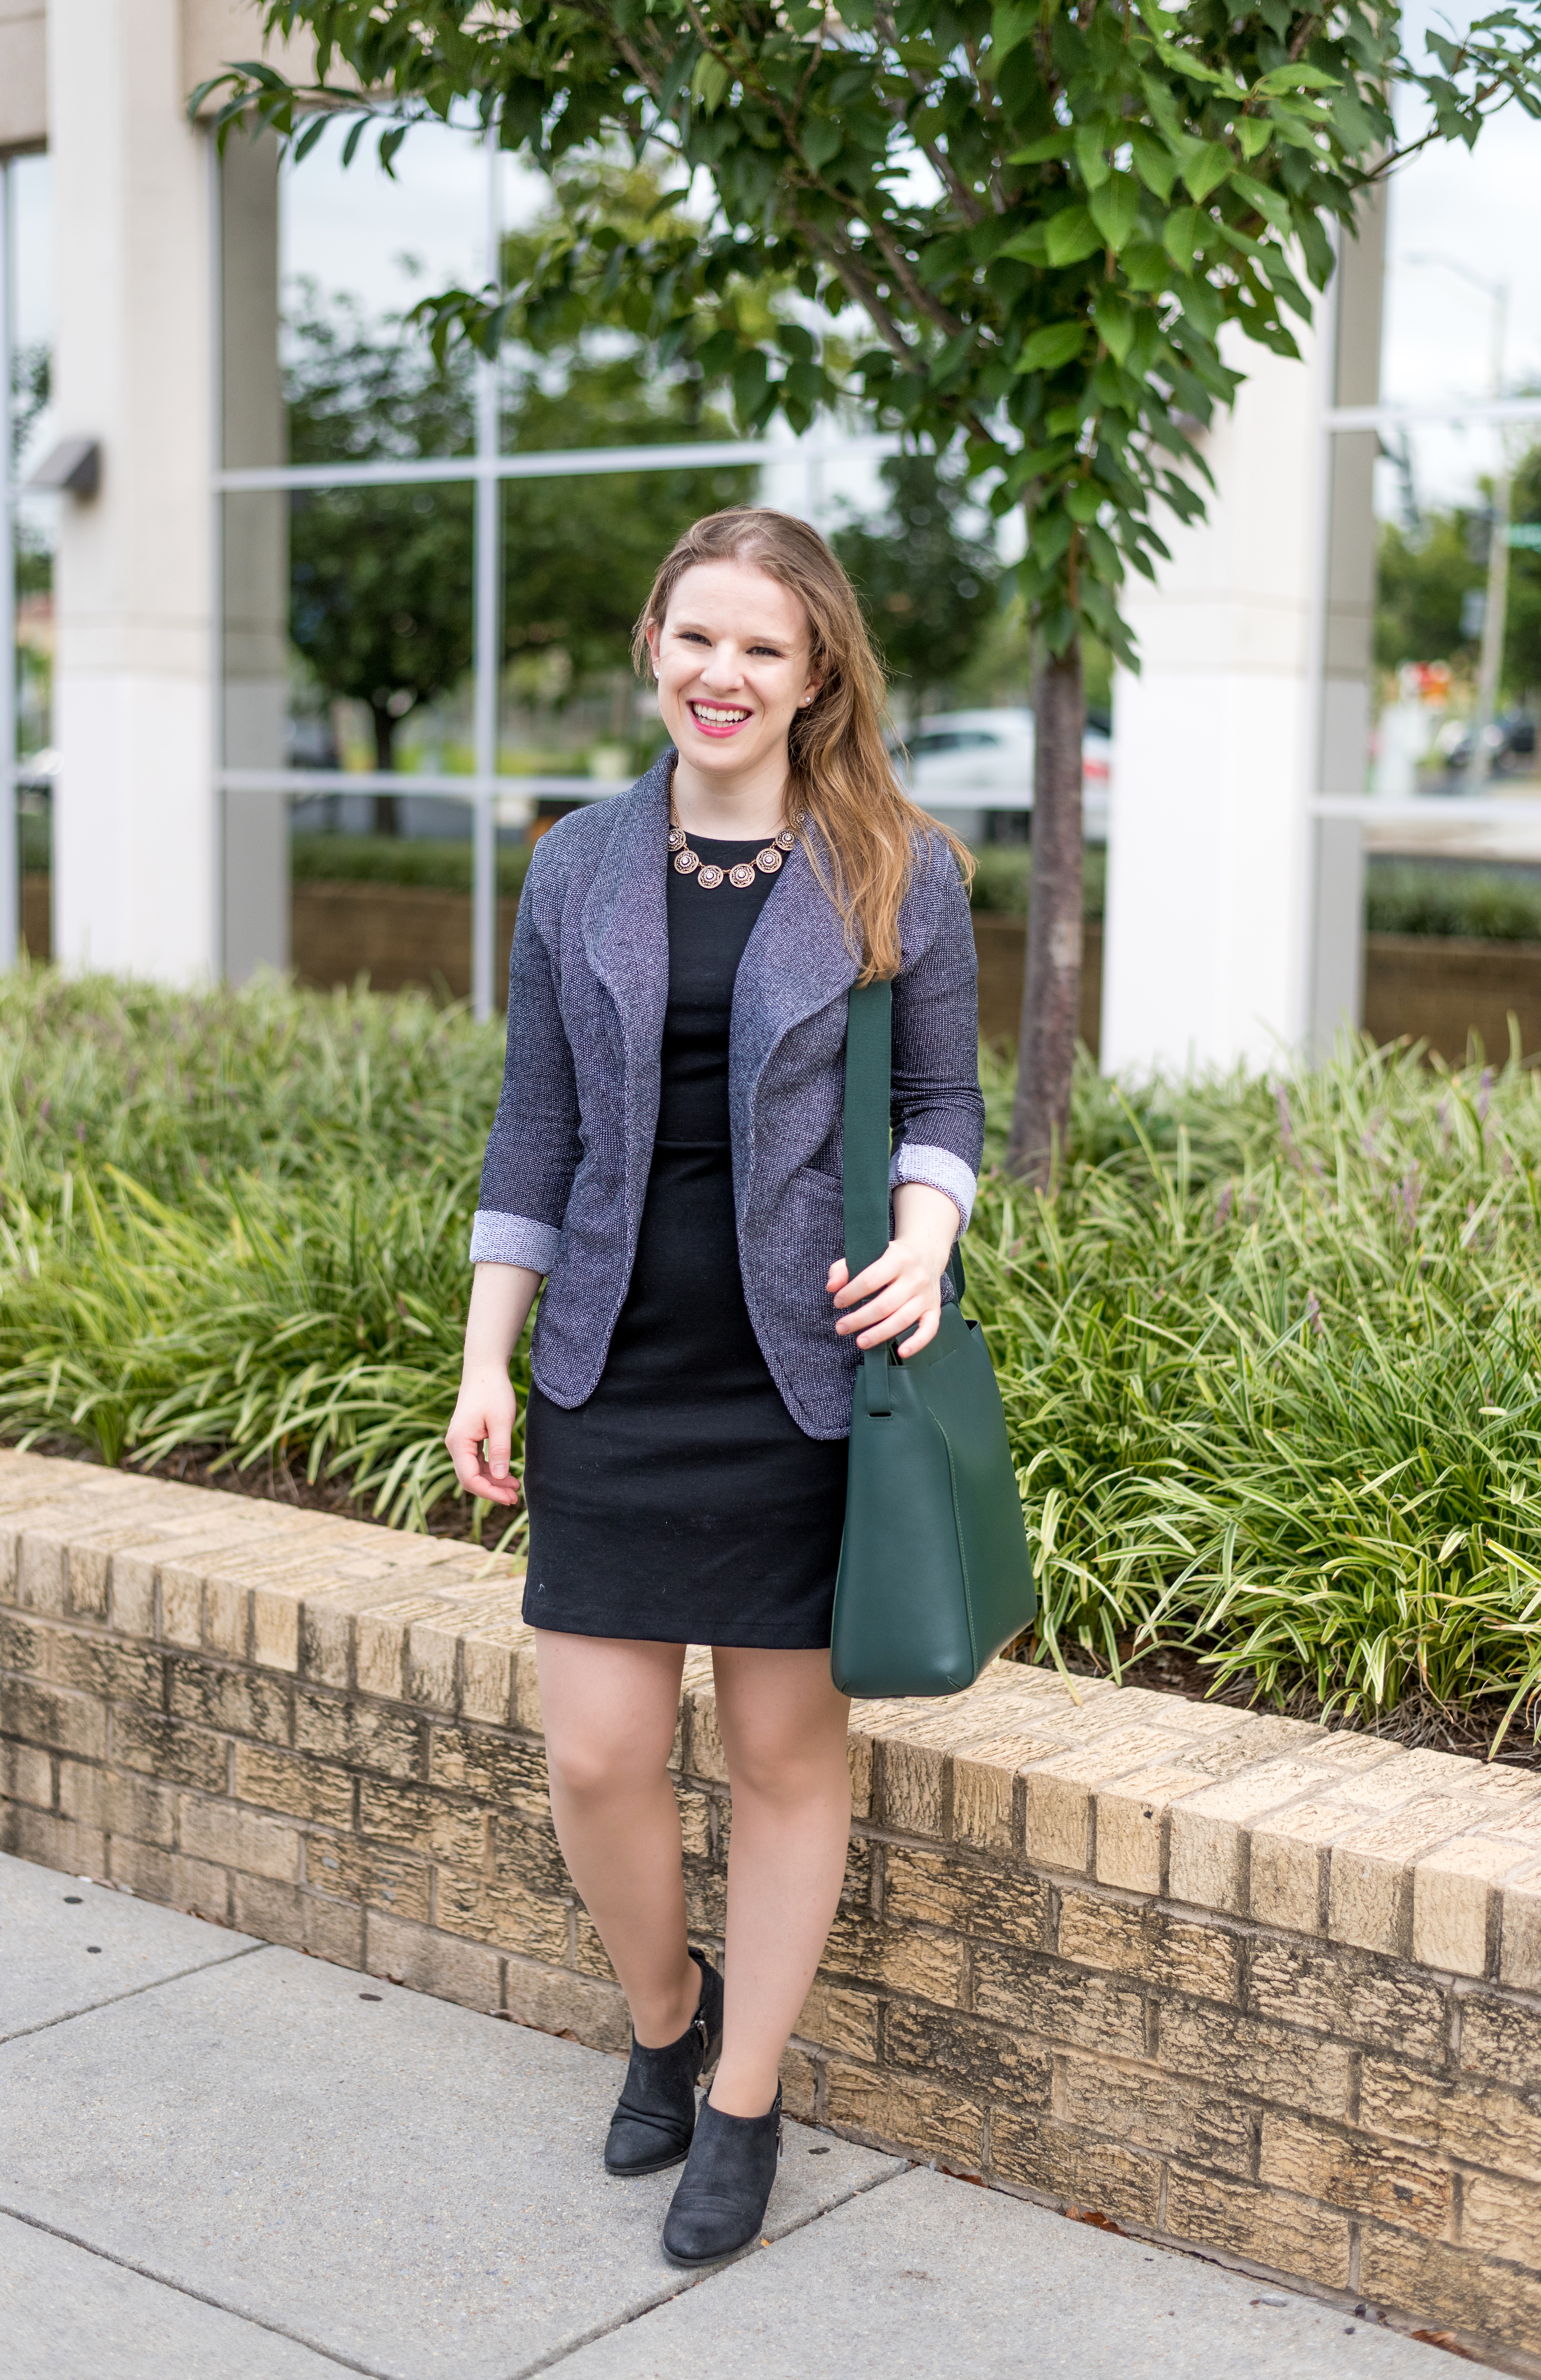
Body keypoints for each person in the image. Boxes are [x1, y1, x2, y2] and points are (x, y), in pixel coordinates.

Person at [445, 507, 982, 2266]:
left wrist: (927, 1235)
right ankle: (663, 2018)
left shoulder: (898, 865)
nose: (720, 674)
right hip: (613, 1360)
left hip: (806, 1374)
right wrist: (488, 1354)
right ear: (649, 650)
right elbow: (534, 1127)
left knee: (774, 1752)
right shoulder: (575, 863)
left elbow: (945, 1110)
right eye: (694, 638)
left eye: (760, 644)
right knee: (597, 1752)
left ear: (816, 666)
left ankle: (741, 2098)